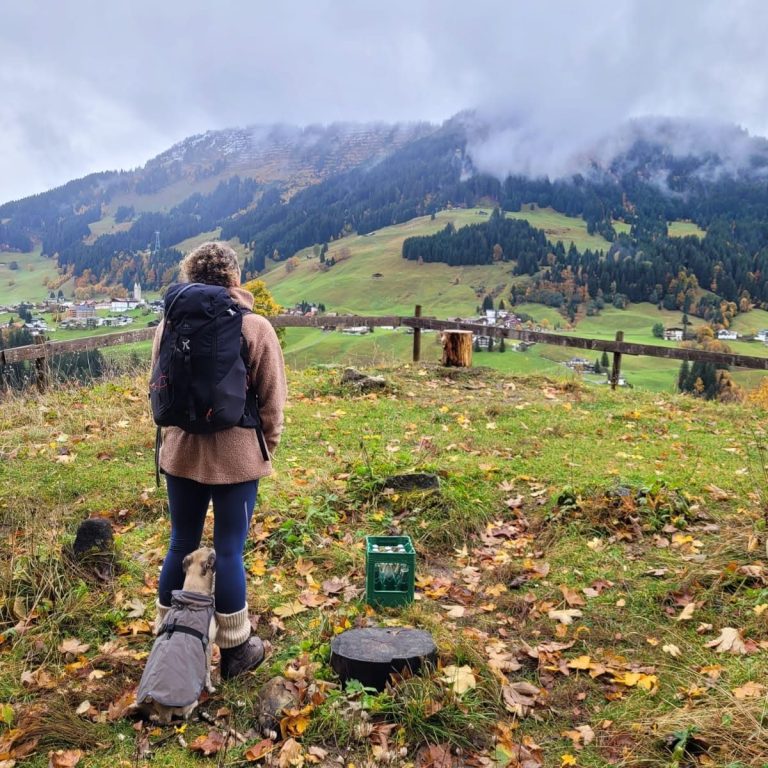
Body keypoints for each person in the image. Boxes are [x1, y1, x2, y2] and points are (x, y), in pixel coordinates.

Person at [151, 241, 287, 679]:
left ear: (190, 276)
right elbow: (272, 401)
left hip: (181, 452)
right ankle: (235, 651)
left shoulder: (168, 324)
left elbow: (158, 390)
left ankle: (167, 641)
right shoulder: (256, 327)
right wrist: (264, 446)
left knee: (180, 543)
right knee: (229, 552)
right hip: (238, 457)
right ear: (234, 278)